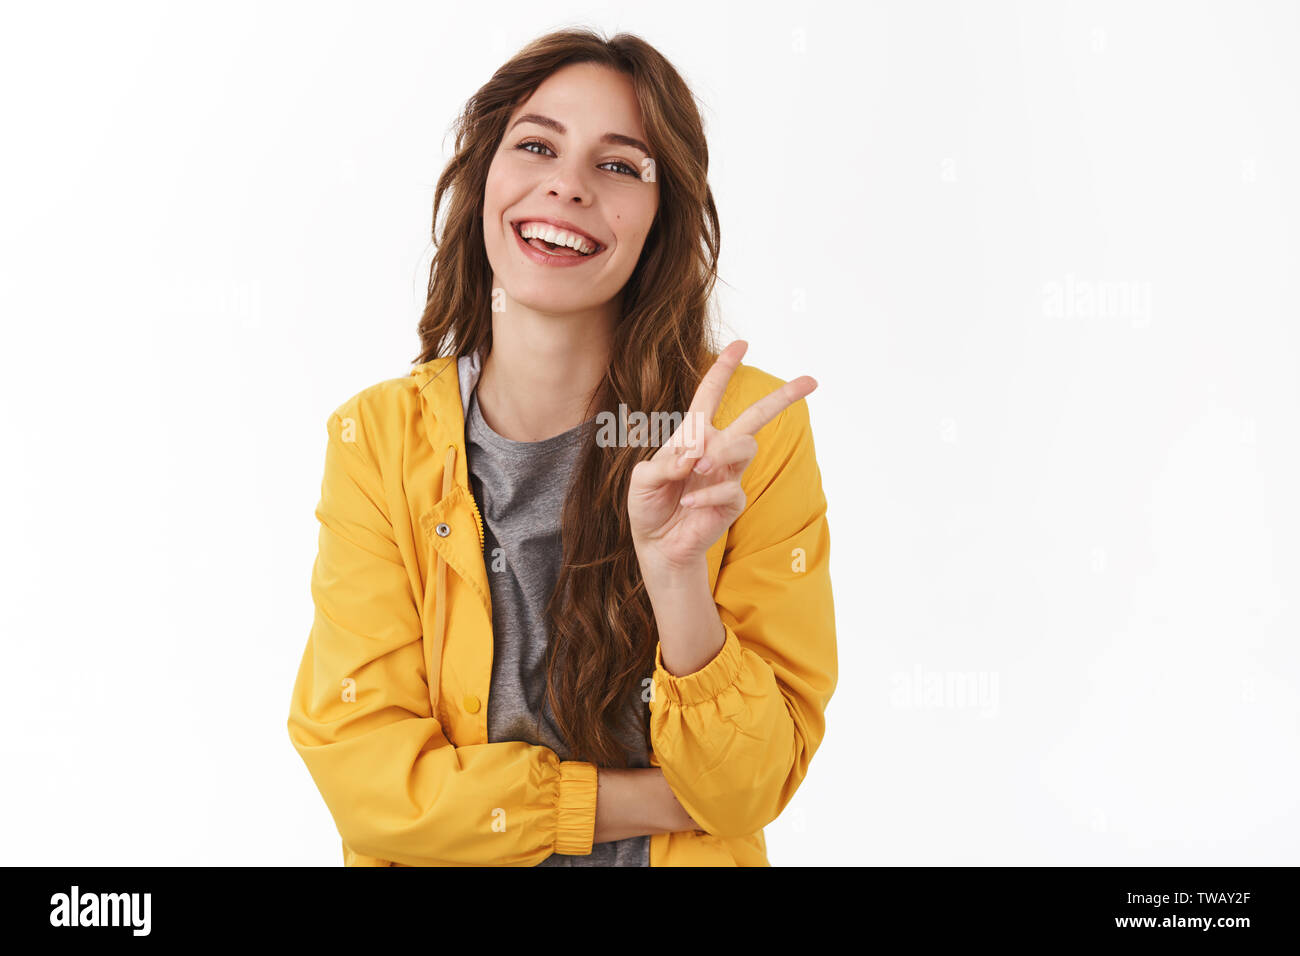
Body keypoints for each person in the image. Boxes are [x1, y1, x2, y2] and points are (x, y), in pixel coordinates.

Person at [287, 27, 837, 866]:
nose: (567, 186)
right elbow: (369, 788)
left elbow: (747, 784)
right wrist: (627, 802)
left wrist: (678, 577)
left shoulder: (742, 437)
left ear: (662, 218)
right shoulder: (378, 441)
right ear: (484, 181)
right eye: (537, 145)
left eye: (619, 165)